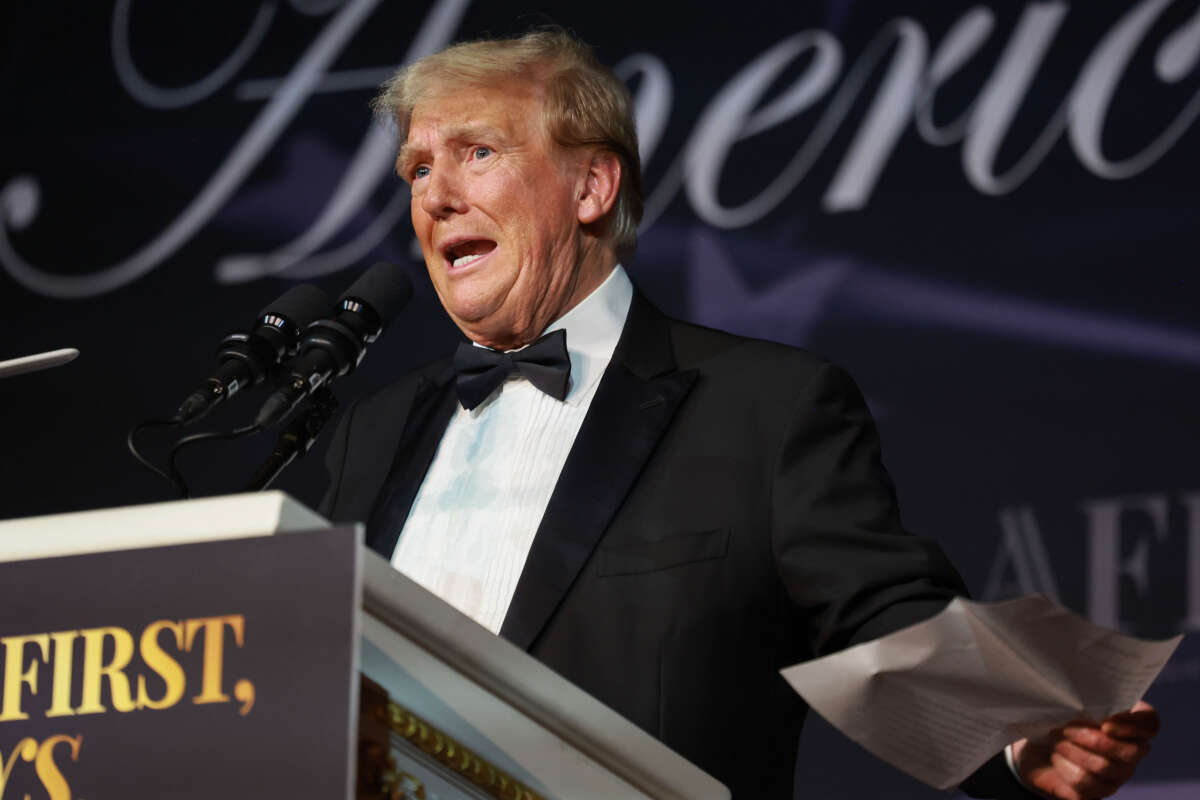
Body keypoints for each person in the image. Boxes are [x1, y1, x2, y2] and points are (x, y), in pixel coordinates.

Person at [320, 28, 1159, 799]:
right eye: (419, 171)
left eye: (477, 152)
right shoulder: (373, 432)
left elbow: (880, 615)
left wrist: (1017, 730)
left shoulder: (762, 409)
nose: (435, 197)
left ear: (591, 186)